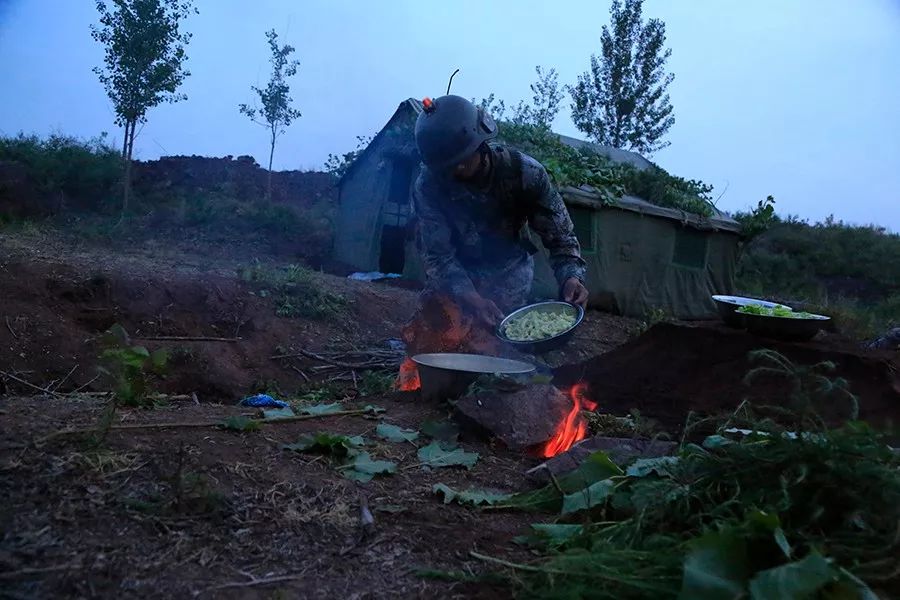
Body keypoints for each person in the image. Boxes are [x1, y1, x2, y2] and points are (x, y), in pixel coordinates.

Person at [396, 94, 589, 389]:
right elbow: (437, 257)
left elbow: (560, 236)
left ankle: (499, 395)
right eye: (446, 167)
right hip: (455, 272)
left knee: (494, 345)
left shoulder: (525, 173)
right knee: (434, 329)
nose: (454, 172)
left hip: (508, 271)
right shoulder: (429, 185)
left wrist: (571, 276)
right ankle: (424, 387)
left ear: (480, 144)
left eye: (460, 163)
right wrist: (469, 296)